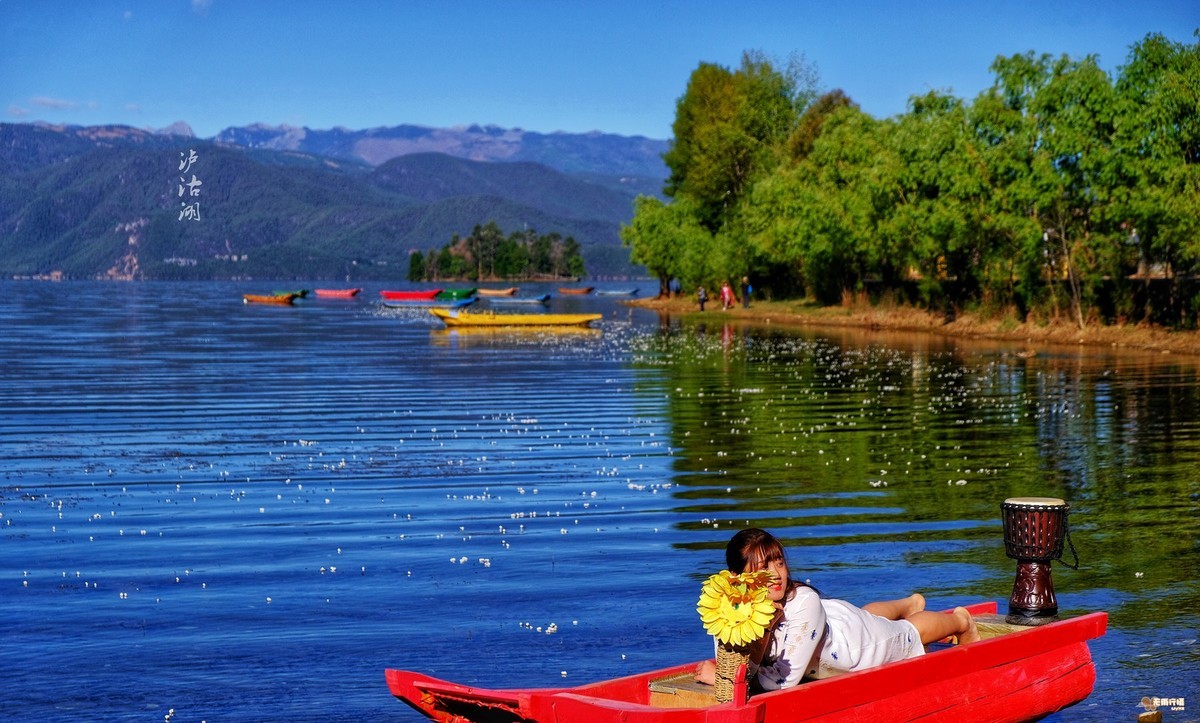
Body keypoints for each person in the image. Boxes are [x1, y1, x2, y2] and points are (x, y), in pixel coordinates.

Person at [695, 528, 980, 690]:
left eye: (779, 563)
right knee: (869, 616)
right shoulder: (728, 608)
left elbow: (782, 681)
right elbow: (733, 660)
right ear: (738, 579)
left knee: (906, 633)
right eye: (762, 568)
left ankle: (960, 621)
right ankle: (909, 603)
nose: (776, 575)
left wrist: (724, 681)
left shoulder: (804, 602)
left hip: (854, 647)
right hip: (830, 625)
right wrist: (726, 672)